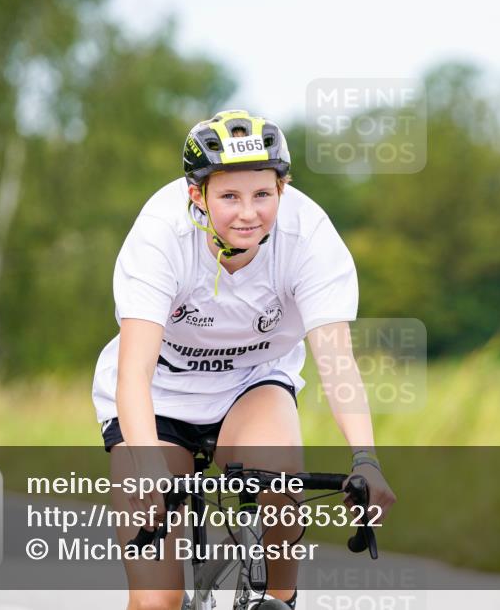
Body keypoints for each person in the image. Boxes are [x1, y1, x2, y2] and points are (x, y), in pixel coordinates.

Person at [91, 110, 396, 610]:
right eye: (229, 196)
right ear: (198, 195)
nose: (248, 213)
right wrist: (146, 467)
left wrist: (366, 459)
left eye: (263, 195)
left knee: (278, 476)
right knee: (154, 601)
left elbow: (337, 361)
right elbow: (134, 373)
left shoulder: (310, 238)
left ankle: (280, 597)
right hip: (159, 396)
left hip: (252, 384)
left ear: (283, 188)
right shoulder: (160, 234)